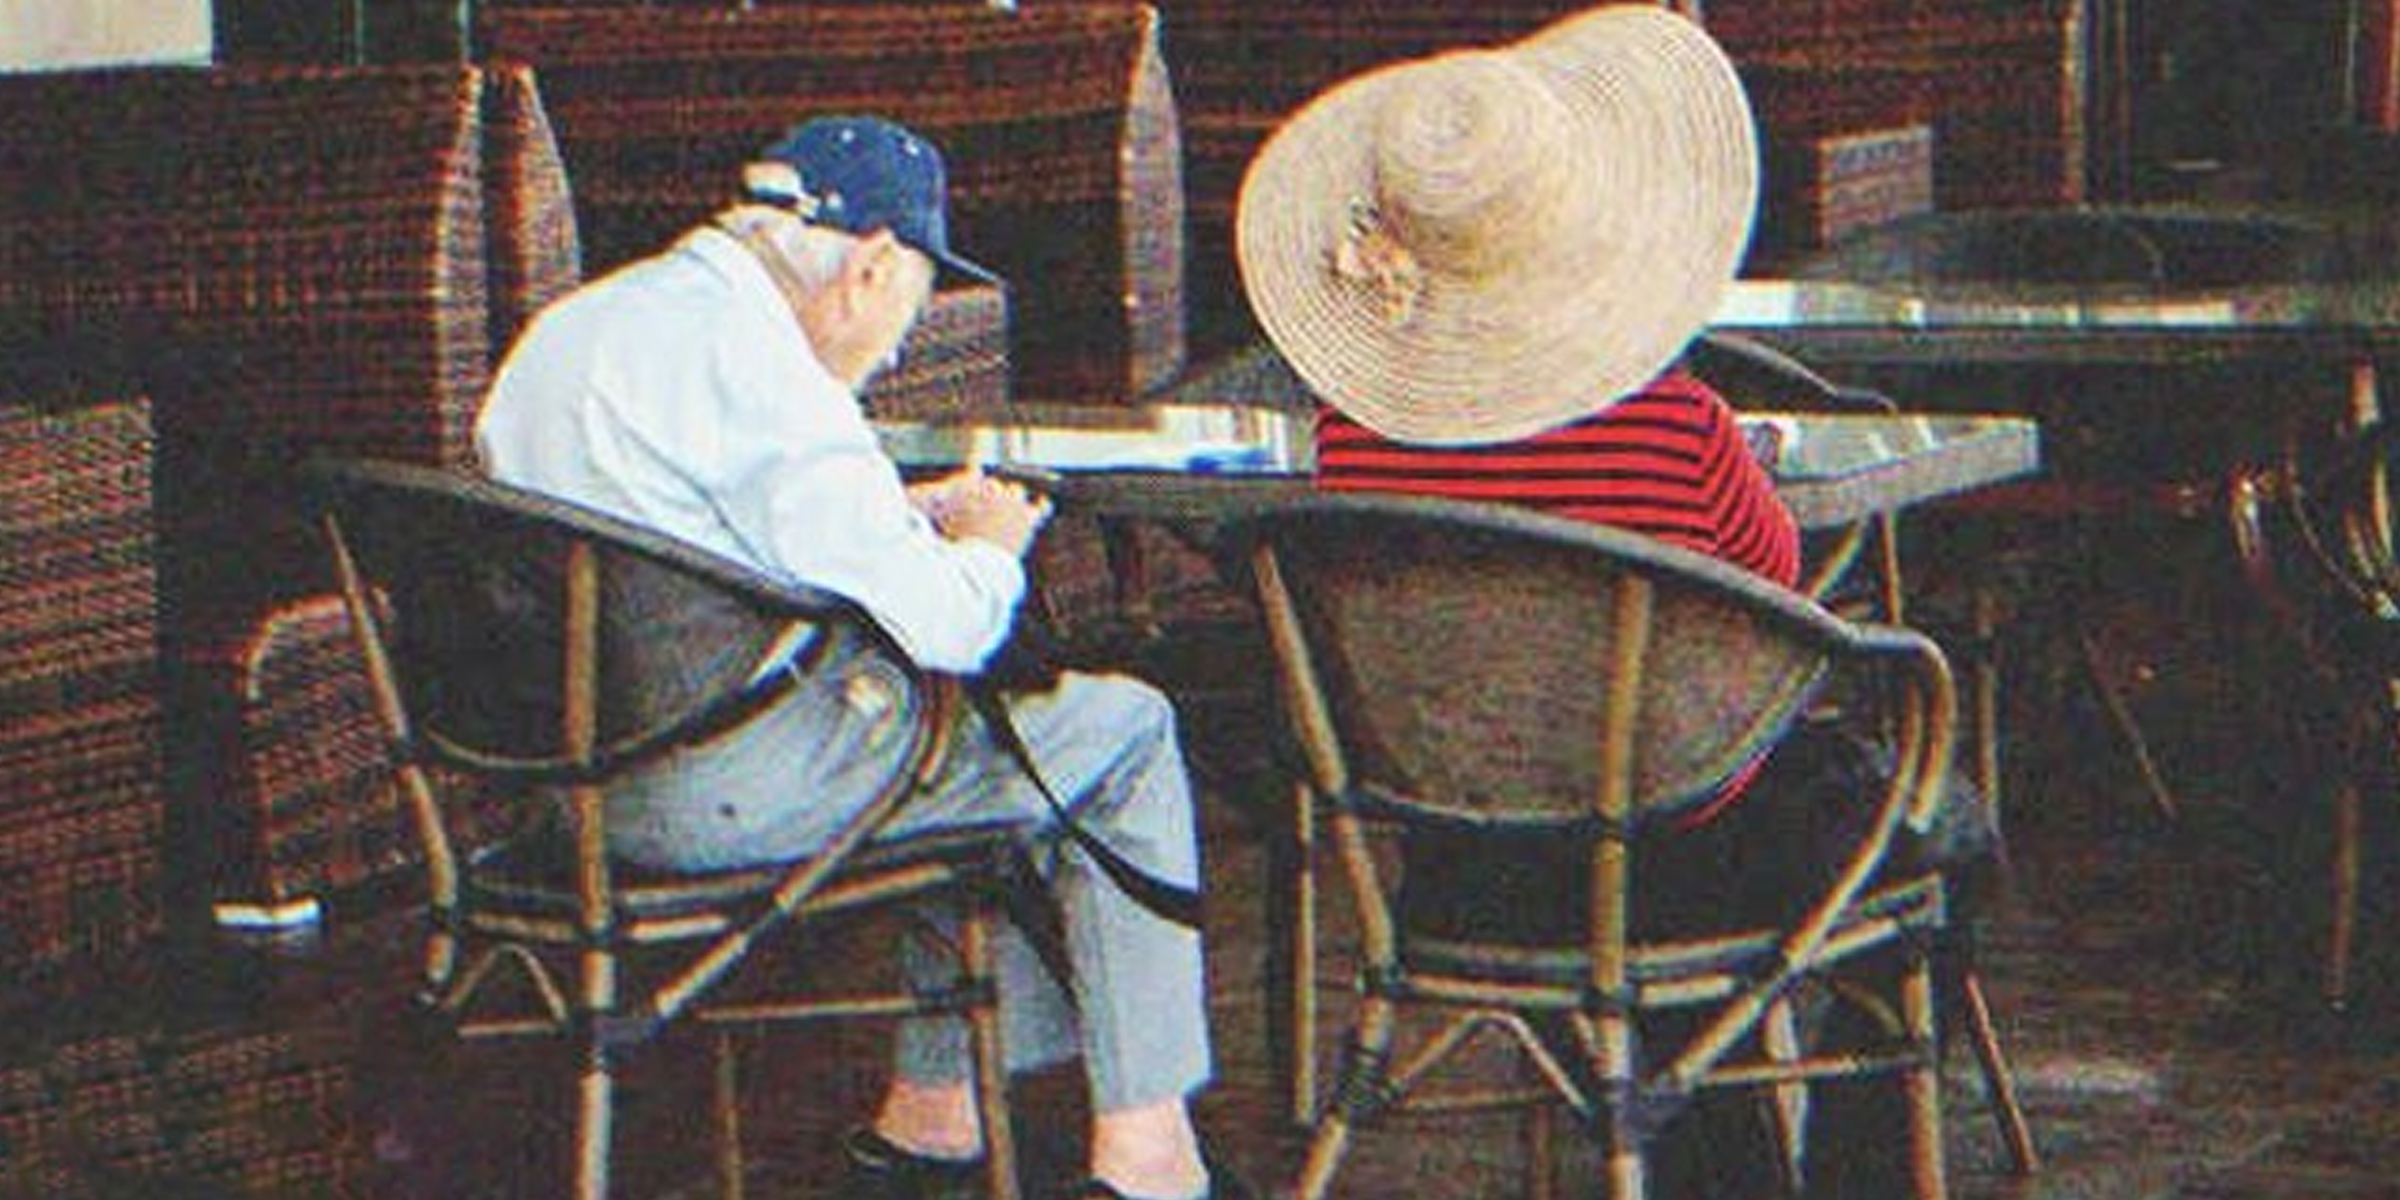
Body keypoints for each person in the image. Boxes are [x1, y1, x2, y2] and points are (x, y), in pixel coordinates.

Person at [1235, 7, 1994, 1198]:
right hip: (1690, 854)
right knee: (1924, 815)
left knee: (1687, 784)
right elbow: (1773, 597)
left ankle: (1716, 1159)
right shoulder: (1677, 426)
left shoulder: (1353, 441)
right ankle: (1853, 1176)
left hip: (1456, 863)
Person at [476, 115, 1241, 1200]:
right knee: (1107, 730)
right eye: (907, 313)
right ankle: (1150, 1160)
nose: (893, 349)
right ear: (870, 265)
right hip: (707, 796)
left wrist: (884, 515)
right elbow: (954, 627)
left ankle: (932, 1122)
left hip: (559, 788)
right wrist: (987, 544)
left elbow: (684, 528)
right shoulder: (774, 376)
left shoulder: (574, 329)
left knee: (965, 746)